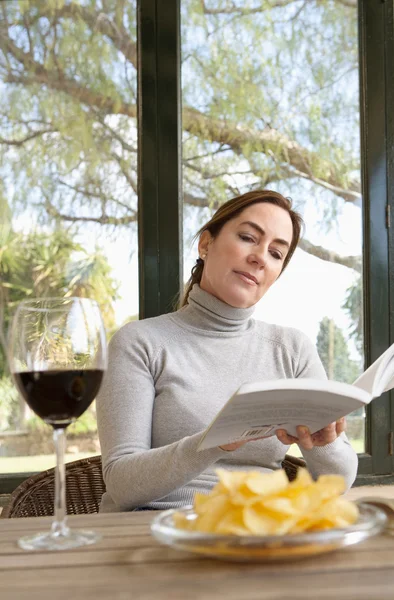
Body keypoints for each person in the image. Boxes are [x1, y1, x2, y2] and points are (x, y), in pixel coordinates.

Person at [97, 190, 358, 512]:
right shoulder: (139, 342)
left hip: (264, 529)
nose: (261, 257)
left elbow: (338, 482)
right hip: (159, 529)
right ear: (205, 244)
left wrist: (326, 444)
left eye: (276, 254)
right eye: (248, 237)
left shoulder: (292, 348)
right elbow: (121, 484)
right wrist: (213, 441)